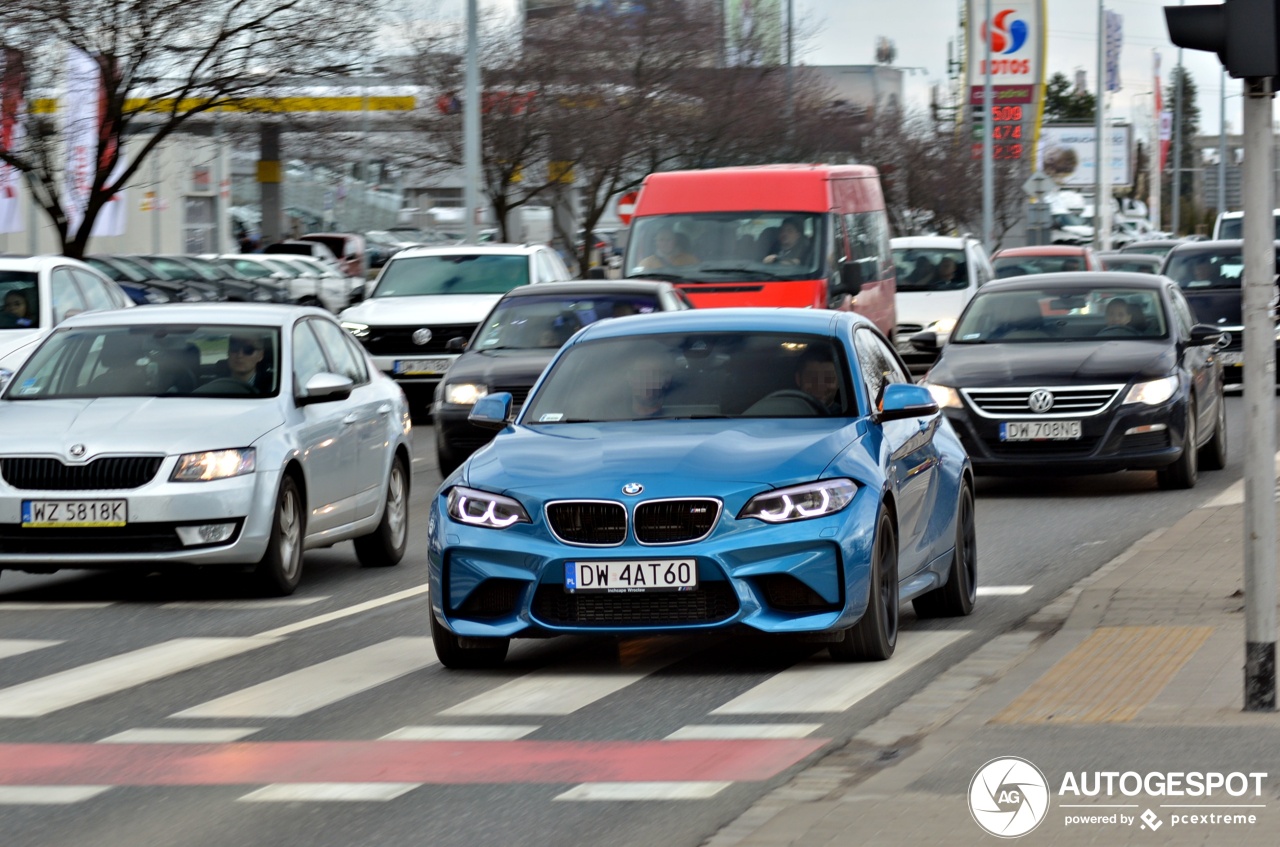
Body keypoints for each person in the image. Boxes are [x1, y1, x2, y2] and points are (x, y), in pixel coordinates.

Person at [626, 346, 675, 418]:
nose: (647, 382)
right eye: (641, 375)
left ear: (667, 380)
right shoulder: (610, 418)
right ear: (630, 378)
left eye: (655, 375)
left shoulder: (685, 422)